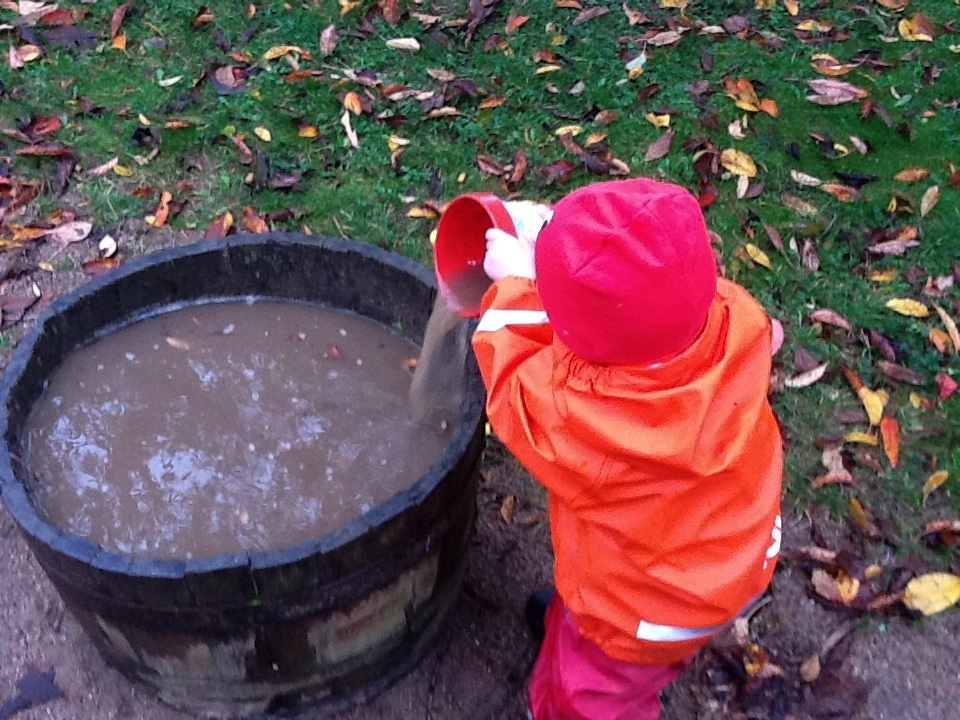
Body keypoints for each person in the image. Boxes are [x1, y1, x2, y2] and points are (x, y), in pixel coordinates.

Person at [470, 178, 783, 720]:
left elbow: (511, 378)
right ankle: (577, 631)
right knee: (592, 642)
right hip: (725, 553)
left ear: (586, 344)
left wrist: (519, 286)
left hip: (643, 611)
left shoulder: (583, 422)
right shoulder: (736, 323)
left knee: (587, 695)